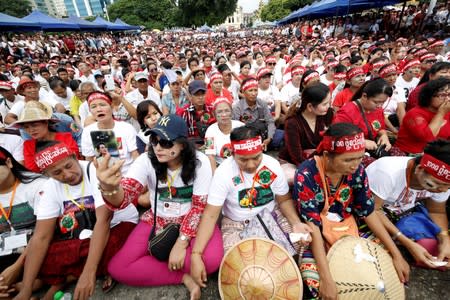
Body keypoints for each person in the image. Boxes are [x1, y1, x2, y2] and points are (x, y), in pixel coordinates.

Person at [95, 115, 223, 300]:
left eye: (165, 142)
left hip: (193, 220)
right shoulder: (146, 160)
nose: (158, 147)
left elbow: (198, 207)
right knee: (118, 268)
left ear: (182, 144)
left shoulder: (200, 162)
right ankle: (182, 276)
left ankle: (163, 262)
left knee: (210, 262)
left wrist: (181, 243)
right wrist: (110, 188)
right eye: (154, 140)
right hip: (158, 219)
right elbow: (125, 198)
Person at [293, 123, 410, 299]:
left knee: (384, 274)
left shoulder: (358, 171)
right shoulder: (306, 174)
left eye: (360, 158)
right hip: (317, 234)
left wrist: (396, 254)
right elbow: (313, 225)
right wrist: (327, 279)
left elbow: (368, 211)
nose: (355, 165)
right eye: (348, 160)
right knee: (317, 287)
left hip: (349, 226)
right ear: (327, 156)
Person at [190, 125, 312, 289]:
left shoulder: (272, 165)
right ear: (233, 154)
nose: (251, 165)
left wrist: (296, 223)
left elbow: (283, 200)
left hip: (271, 215)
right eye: (243, 159)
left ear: (262, 149)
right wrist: (196, 254)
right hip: (237, 224)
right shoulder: (223, 173)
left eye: (256, 157)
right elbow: (211, 215)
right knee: (242, 270)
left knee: (299, 246)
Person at [14, 141, 138, 300]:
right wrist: (26, 289)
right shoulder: (51, 187)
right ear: (48, 174)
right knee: (40, 255)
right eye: (57, 173)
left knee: (116, 247)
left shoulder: (94, 170)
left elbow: (104, 221)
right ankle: (70, 275)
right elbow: (41, 237)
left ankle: (65, 277)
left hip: (116, 225)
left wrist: (88, 273)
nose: (66, 175)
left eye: (68, 166)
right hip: (80, 238)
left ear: (75, 156)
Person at [366, 140, 450, 269]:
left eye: (447, 186)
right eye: (437, 185)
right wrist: (405, 241)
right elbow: (372, 211)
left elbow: (436, 211)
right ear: (420, 169)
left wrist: (444, 237)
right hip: (373, 212)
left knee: (438, 253)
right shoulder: (387, 173)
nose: (443, 190)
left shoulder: (442, 180)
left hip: (403, 214)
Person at [0, 146, 46, 298]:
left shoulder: (36, 185)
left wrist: (16, 267)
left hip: (37, 251)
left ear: (8, 162)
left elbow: (45, 233)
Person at [334, 78, 403, 164]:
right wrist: (362, 142)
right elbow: (336, 138)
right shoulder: (347, 112)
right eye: (376, 102)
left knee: (399, 158)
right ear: (364, 96)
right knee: (377, 165)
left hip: (372, 148)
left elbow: (380, 128)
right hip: (351, 151)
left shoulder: (377, 109)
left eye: (383, 102)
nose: (380, 106)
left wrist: (384, 136)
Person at [279, 82, 333, 182]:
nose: (328, 106)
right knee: (296, 178)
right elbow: (296, 156)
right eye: (325, 104)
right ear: (309, 107)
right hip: (294, 161)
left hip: (320, 157)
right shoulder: (292, 123)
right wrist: (314, 170)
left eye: (329, 102)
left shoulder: (327, 113)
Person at [81, 92, 139, 175]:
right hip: (104, 178)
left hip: (128, 176)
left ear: (111, 106)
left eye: (102, 105)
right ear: (90, 111)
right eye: (93, 107)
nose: (99, 109)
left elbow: (136, 156)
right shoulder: (87, 131)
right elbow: (89, 160)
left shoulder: (127, 128)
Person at [13, 101, 79, 173]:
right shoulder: (28, 145)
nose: (31, 130)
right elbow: (32, 169)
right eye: (26, 127)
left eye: (34, 125)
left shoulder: (66, 136)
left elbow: (73, 159)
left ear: (46, 123)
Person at [396, 78, 450, 155]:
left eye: (449, 95)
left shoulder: (447, 112)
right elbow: (427, 138)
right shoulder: (415, 113)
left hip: (435, 156)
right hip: (408, 156)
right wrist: (441, 113)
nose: (447, 99)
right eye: (443, 95)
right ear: (429, 96)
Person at [232, 78, 277, 151]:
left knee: (280, 136)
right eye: (250, 90)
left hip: (263, 133)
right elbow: (235, 129)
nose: (253, 93)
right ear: (243, 92)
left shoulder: (262, 103)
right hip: (246, 136)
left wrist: (269, 138)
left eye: (255, 90)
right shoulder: (238, 107)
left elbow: (270, 121)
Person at [204, 97, 244, 172]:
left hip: (241, 166)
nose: (224, 114)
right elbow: (210, 156)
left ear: (231, 112)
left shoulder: (241, 126)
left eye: (227, 111)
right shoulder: (210, 131)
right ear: (214, 114)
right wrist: (215, 176)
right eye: (219, 112)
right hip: (222, 168)